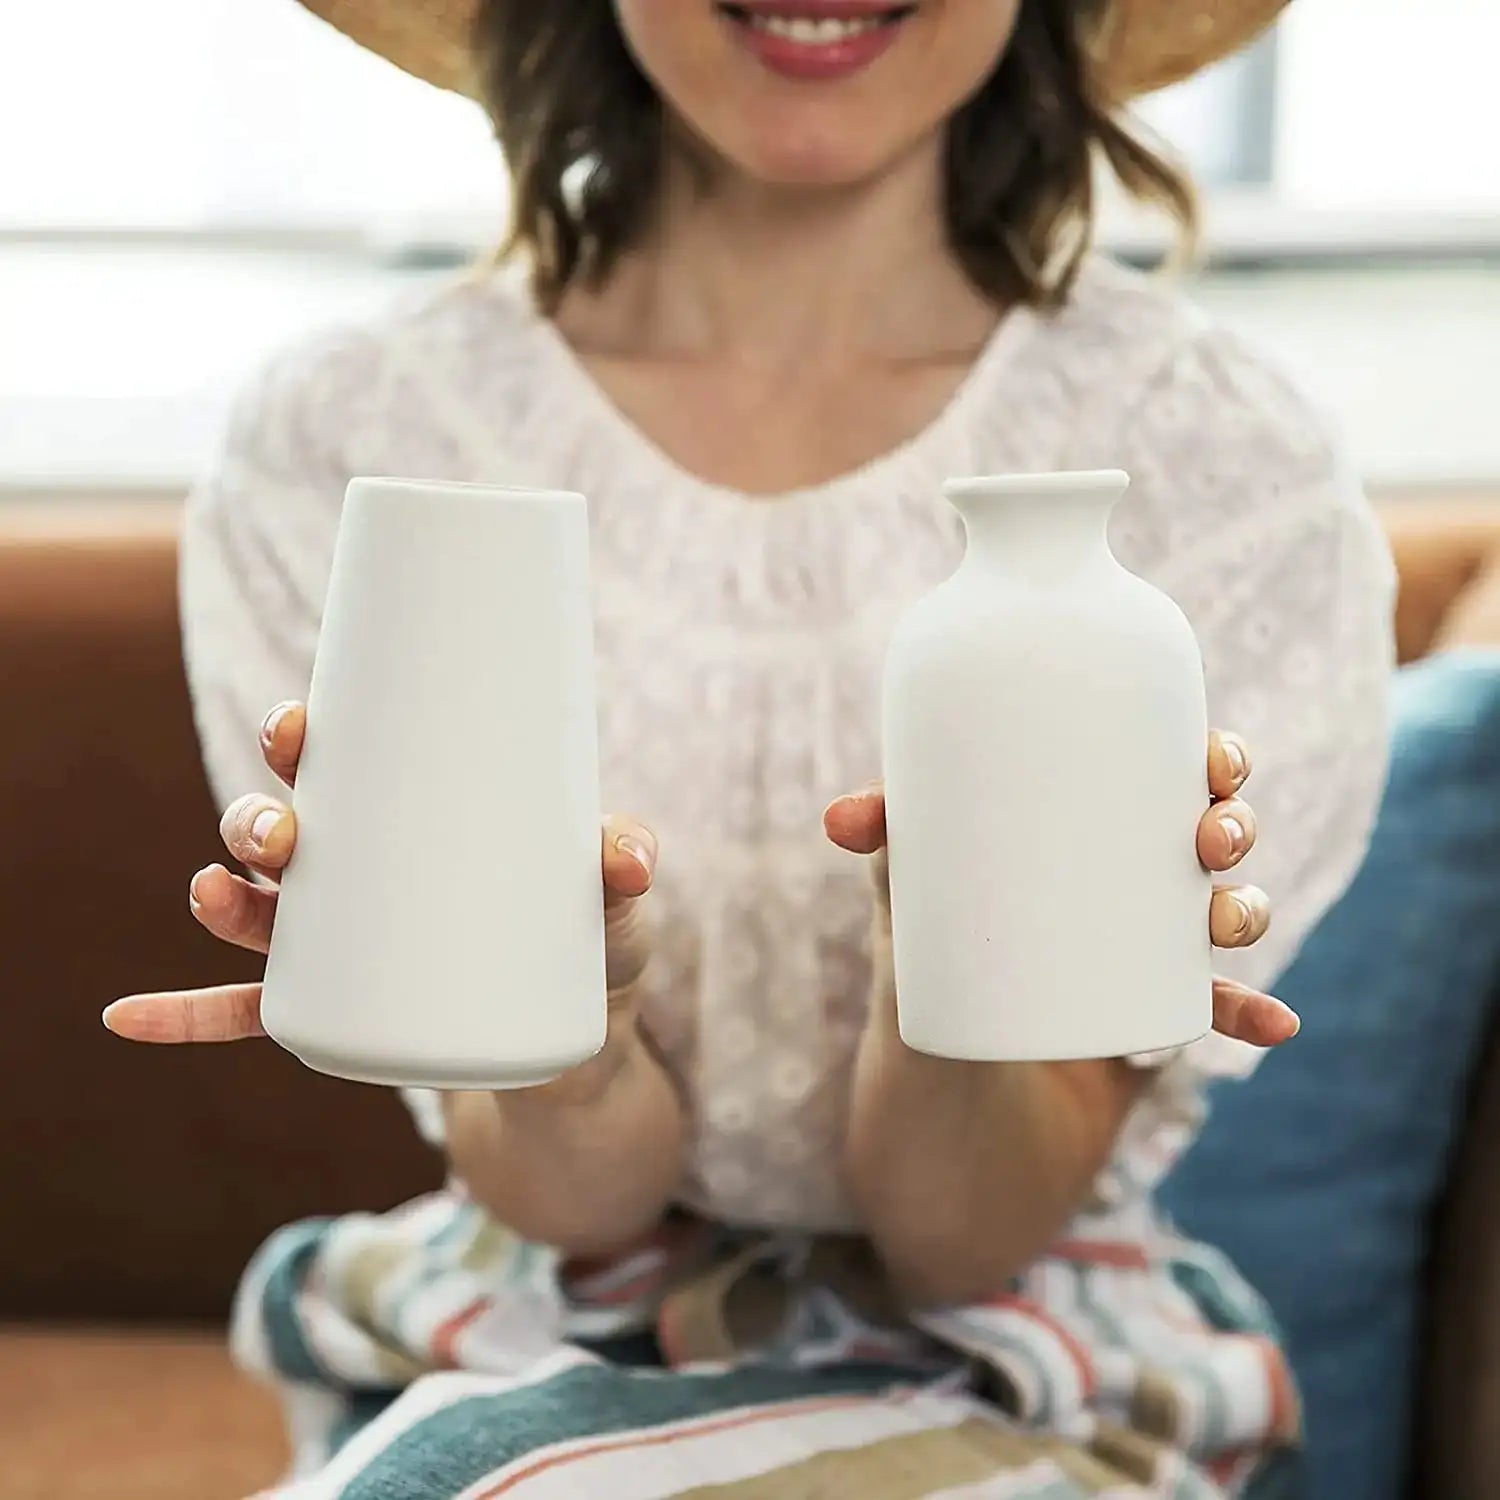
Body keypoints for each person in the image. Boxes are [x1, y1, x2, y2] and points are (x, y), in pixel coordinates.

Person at [106, 1, 1394, 1494]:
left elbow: (960, 1234)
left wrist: (950, 958)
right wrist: (553, 1042)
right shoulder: (357, 438)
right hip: (532, 1335)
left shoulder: (1219, 465)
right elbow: (575, 1202)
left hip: (1024, 1354)